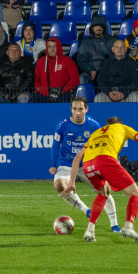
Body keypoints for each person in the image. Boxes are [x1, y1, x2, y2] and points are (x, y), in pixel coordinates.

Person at [61, 116, 138, 243]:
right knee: (136, 194)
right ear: (118, 123)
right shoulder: (122, 127)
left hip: (88, 165)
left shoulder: (96, 133)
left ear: (106, 125)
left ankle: (89, 231)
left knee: (103, 193)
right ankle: (128, 227)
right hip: (105, 160)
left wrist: (72, 182)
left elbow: (77, 158)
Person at [50, 96, 121, 232]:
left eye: (80, 109)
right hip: (67, 163)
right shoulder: (63, 124)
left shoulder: (93, 125)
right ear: (70, 109)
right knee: (60, 185)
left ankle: (114, 224)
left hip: (88, 164)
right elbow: (55, 145)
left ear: (86, 109)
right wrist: (53, 165)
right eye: (75, 109)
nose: (77, 112)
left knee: (104, 190)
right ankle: (86, 209)